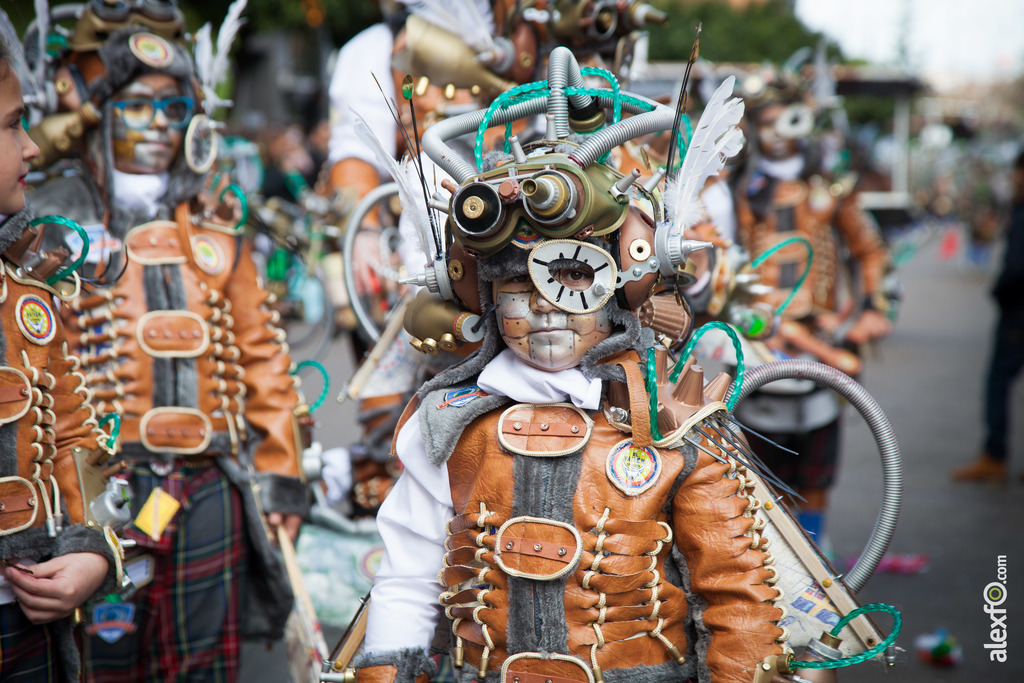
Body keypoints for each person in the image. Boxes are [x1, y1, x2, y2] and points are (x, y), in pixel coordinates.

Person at [345, 54, 855, 683]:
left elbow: (736, 595)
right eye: (518, 291)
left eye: (574, 280)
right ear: (485, 303)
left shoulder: (677, 426)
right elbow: (408, 573)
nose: (546, 310)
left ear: (621, 292)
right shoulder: (447, 425)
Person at [25, 12, 308, 680]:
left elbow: (263, 355)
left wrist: (280, 476)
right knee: (102, 659)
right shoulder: (51, 227)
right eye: (138, 105)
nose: (158, 123)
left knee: (201, 664)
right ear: (100, 111)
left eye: (173, 106)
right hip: (96, 492)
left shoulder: (217, 226)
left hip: (206, 484)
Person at [727, 75, 892, 548]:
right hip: (756, 340)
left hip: (822, 341)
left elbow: (870, 249)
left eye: (788, 120)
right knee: (753, 465)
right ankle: (771, 560)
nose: (779, 133)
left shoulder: (831, 191)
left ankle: (817, 557)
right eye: (767, 123)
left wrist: (874, 307)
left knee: (816, 466)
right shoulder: (739, 191)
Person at [0, 34, 116, 681]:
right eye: (15, 124)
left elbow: (78, 434)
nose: (35, 145)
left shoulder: (27, 290)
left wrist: (92, 549)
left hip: (25, 627)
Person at [953, 149, 1024, 481]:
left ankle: (994, 456)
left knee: (998, 382)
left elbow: (1016, 268)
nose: (1013, 180)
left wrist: (1000, 293)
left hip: (1017, 313)